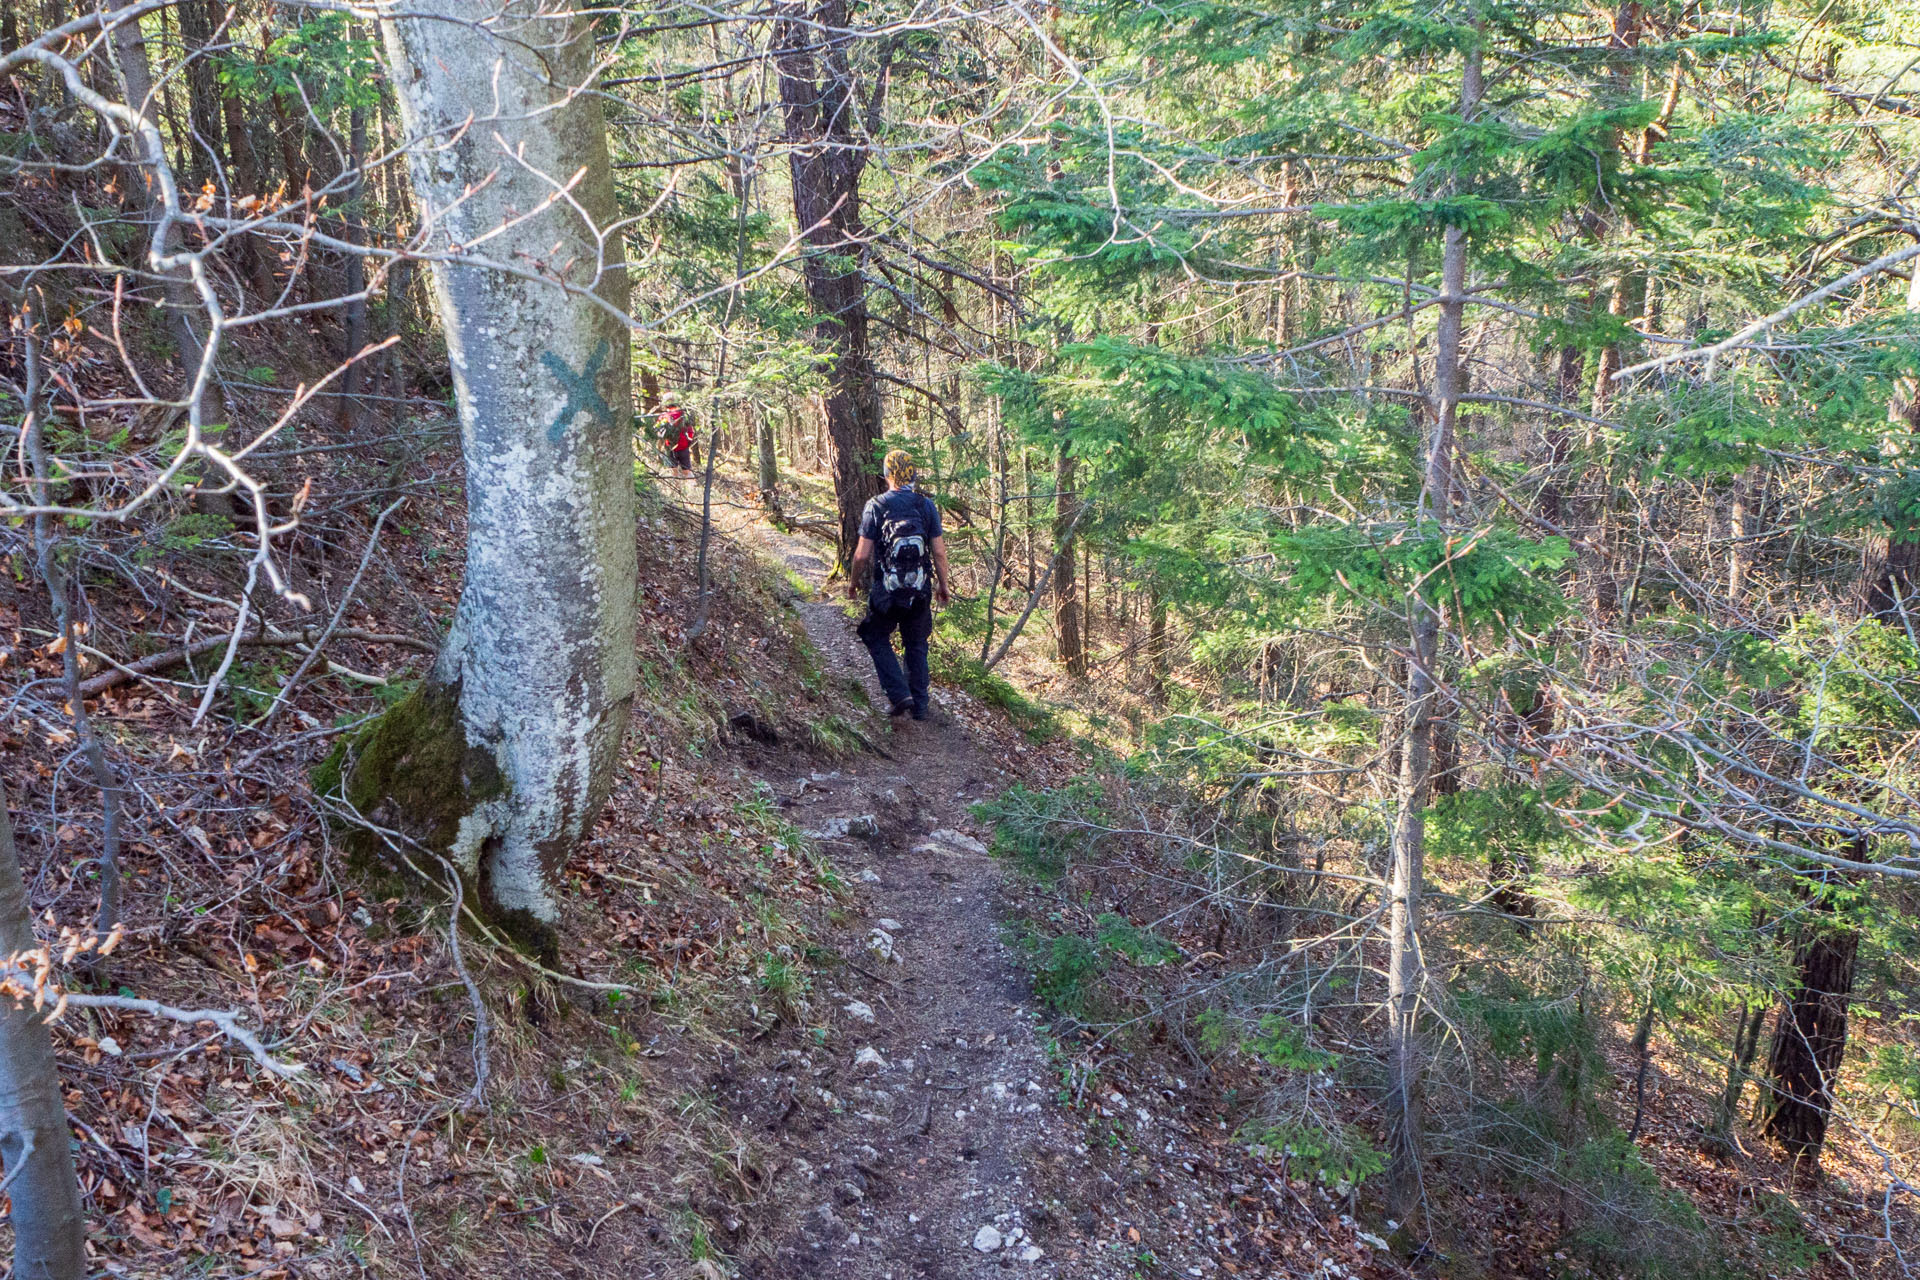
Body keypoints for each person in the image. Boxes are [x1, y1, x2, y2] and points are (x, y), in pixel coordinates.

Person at [848, 449, 951, 721]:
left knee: (874, 634)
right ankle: (919, 705)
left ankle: (898, 693)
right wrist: (943, 584)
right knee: (916, 642)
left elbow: (861, 554)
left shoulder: (876, 505)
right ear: (912, 474)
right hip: (919, 589)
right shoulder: (925, 506)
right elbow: (938, 552)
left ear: (887, 475)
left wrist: (853, 582)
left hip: (887, 591)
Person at [658, 401, 697, 475]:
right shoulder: (683, 415)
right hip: (683, 447)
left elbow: (659, 432)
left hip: (670, 447)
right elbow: (690, 430)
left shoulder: (663, 416)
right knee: (687, 471)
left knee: (673, 471)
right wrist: (688, 441)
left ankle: (676, 485)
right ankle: (690, 485)